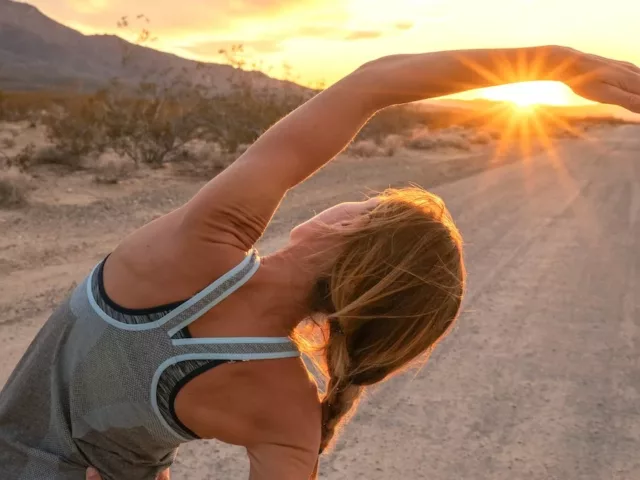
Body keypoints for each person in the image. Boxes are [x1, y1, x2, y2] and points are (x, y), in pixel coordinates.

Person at [0, 45, 638, 480]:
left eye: (364, 206)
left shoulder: (200, 247)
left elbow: (373, 85)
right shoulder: (292, 409)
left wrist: (558, 62)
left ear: (349, 235)